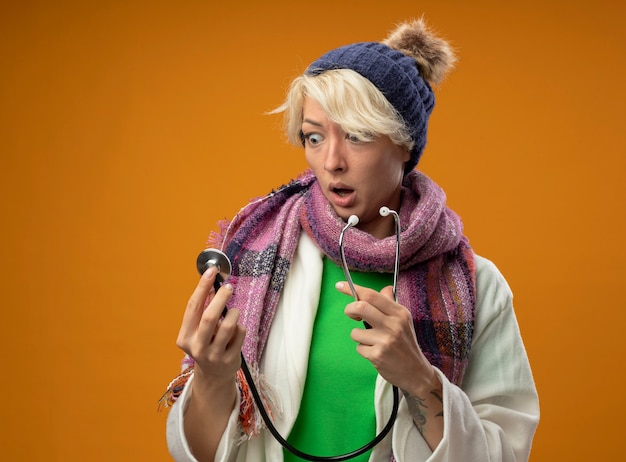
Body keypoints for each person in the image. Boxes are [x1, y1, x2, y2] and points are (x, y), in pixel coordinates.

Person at [160, 18, 540, 462]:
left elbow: (504, 455)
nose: (332, 161)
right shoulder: (252, 257)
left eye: (357, 136)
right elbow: (198, 454)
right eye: (314, 137)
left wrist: (420, 379)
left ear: (404, 144)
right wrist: (211, 376)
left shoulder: (476, 286)